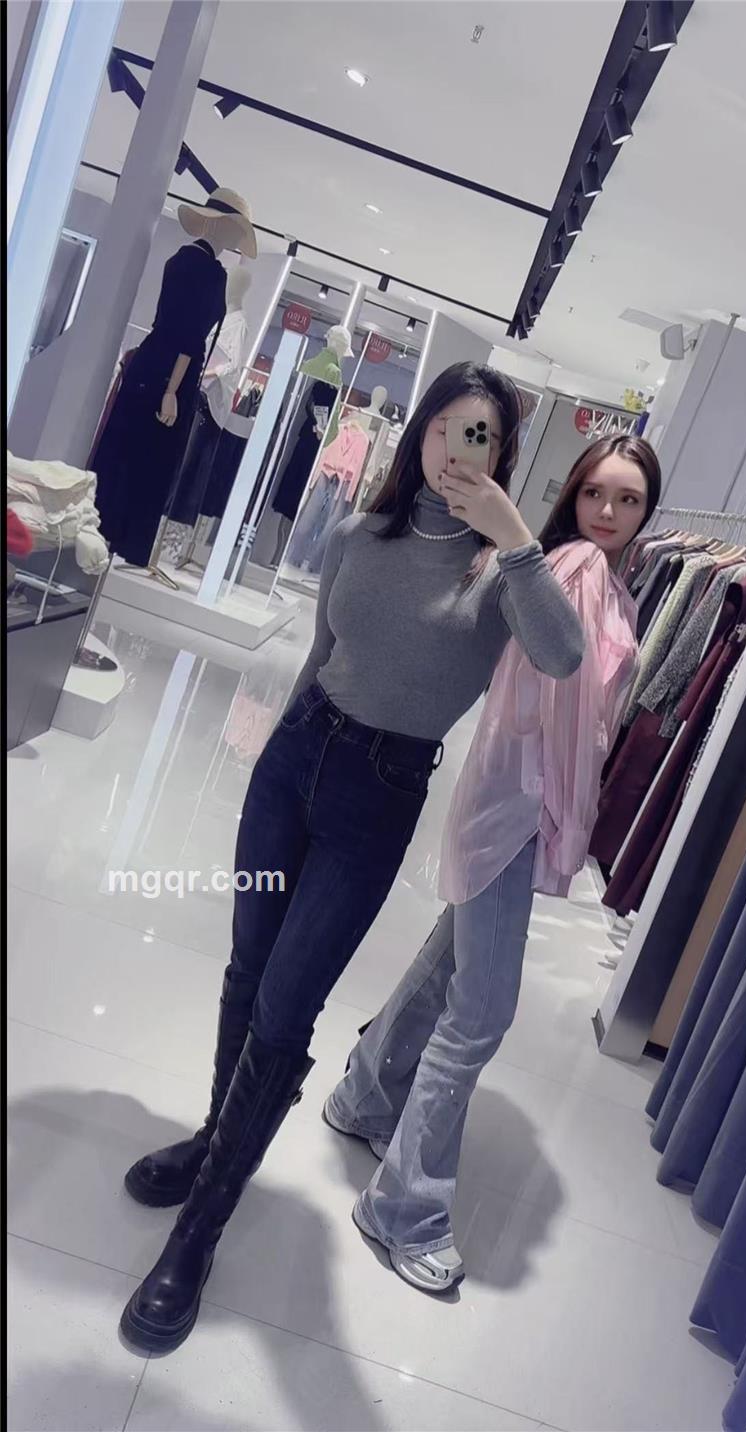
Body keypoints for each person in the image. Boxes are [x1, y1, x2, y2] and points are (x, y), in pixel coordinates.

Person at [120, 361, 585, 1351]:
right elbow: (320, 654)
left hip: (378, 797)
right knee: (247, 971)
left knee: (288, 1004)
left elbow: (563, 654)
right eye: (446, 427)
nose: (456, 450)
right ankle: (213, 1143)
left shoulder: (500, 574)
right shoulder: (358, 536)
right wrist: (274, 753)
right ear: (420, 433)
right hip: (294, 761)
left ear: (503, 455)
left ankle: (200, 1230)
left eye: (480, 436)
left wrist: (514, 535)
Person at [324, 434, 661, 1293]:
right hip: (518, 803)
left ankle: (364, 1097)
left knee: (449, 964)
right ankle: (403, 1208)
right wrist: (560, 822)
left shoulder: (608, 579)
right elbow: (558, 700)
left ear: (648, 510)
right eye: (596, 492)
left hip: (517, 801)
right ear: (573, 494)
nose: (608, 512)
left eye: (628, 499)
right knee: (480, 1013)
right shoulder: (576, 567)